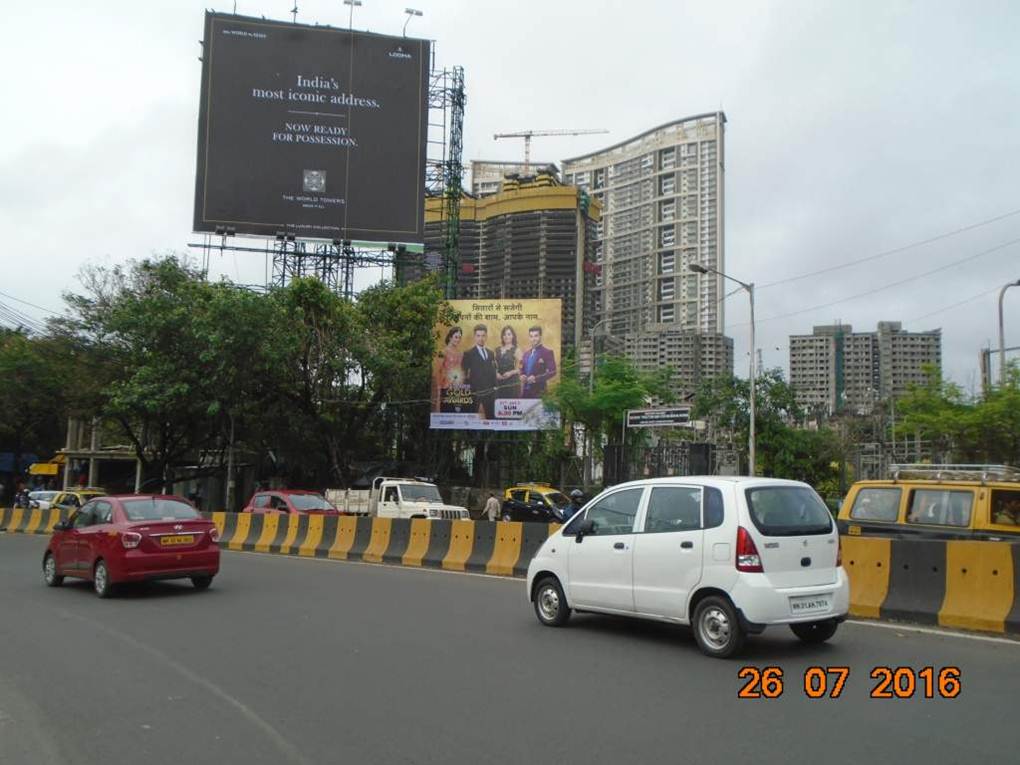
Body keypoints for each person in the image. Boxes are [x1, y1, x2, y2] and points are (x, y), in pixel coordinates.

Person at [462, 324, 498, 420]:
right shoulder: (468, 353)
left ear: (486, 336)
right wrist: (469, 390)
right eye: (478, 336)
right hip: (475, 392)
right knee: (471, 418)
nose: (481, 338)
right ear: (474, 337)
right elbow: (464, 374)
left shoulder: (491, 353)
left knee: (491, 417)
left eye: (483, 335)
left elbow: (493, 371)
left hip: (489, 392)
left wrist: (495, 387)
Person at [434, 326, 468, 412]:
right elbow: (438, 371)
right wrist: (439, 389)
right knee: (446, 412)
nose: (458, 339)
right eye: (456, 337)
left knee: (457, 414)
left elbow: (461, 370)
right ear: (450, 337)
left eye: (459, 337)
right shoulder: (443, 352)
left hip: (457, 388)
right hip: (446, 387)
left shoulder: (460, 353)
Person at [520, 326, 557, 399]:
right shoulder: (526, 354)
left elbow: (553, 371)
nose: (533, 339)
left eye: (536, 336)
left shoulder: (547, 352)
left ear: (540, 336)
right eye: (531, 336)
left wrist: (536, 378)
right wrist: (522, 375)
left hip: (540, 393)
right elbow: (522, 370)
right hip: (525, 393)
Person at [494, 326, 521, 400]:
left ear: (513, 336)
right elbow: (493, 366)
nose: (506, 336)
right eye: (504, 334)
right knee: (499, 407)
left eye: (509, 334)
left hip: (512, 383)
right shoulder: (497, 350)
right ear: (502, 336)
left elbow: (519, 369)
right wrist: (496, 373)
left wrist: (510, 373)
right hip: (499, 382)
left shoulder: (516, 350)